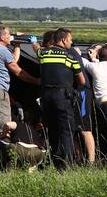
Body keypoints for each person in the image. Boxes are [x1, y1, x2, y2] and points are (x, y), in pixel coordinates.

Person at [36, 28, 85, 169]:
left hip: (46, 98)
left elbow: (37, 50)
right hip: (62, 97)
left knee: (52, 130)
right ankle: (67, 165)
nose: (71, 42)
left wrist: (34, 42)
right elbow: (81, 81)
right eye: (70, 39)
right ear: (63, 40)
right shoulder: (69, 57)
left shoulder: (43, 53)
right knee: (66, 131)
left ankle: (55, 162)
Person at [0, 24, 39, 143]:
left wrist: (17, 45)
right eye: (9, 34)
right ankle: (5, 154)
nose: (10, 36)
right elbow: (18, 72)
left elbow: (13, 60)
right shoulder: (1, 50)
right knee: (4, 127)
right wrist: (37, 81)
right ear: (3, 37)